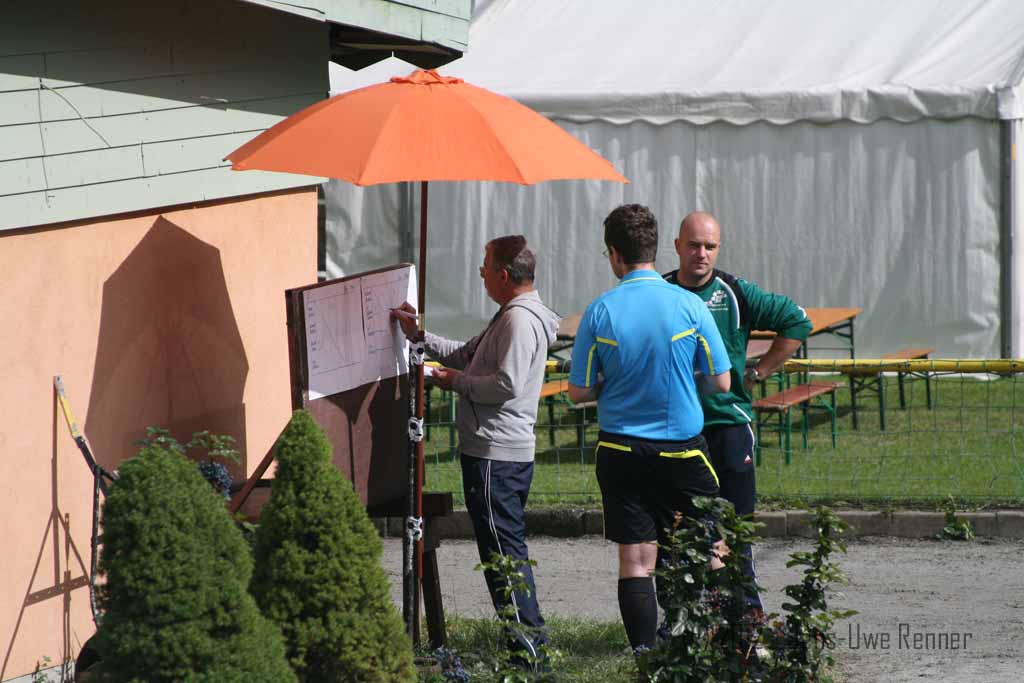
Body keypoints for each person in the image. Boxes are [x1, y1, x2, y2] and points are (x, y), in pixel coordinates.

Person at [566, 204, 732, 656]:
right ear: (657, 249)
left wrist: (609, 383)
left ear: (615, 254)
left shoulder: (599, 311)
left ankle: (643, 655)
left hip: (621, 449)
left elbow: (578, 391)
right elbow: (721, 382)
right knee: (711, 547)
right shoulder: (689, 305)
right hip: (682, 450)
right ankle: (718, 645)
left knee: (637, 557)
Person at [391, 235, 559, 668]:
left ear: (503, 275)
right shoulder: (508, 315)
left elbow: (505, 385)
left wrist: (453, 382)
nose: (481, 272)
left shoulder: (519, 321)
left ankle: (529, 657)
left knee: (504, 557)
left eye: (485, 266)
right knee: (501, 553)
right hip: (494, 453)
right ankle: (525, 650)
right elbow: (466, 354)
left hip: (496, 456)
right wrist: (419, 337)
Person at [662, 211, 812, 617]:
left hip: (727, 424)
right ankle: (683, 622)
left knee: (735, 529)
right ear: (677, 246)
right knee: (679, 530)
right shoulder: (659, 292)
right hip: (673, 430)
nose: (701, 253)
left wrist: (760, 371)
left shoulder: (734, 293)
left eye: (710, 246)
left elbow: (797, 322)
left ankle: (744, 620)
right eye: (694, 245)